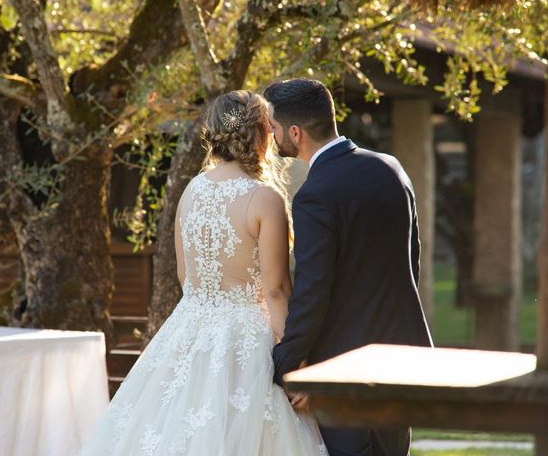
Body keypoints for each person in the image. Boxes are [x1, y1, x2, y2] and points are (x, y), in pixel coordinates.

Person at [78, 89, 327, 455]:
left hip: (189, 328)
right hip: (247, 339)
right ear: (261, 134)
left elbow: (185, 276)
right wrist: (296, 366)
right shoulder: (265, 199)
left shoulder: (192, 190)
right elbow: (275, 291)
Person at [265, 78, 433, 456]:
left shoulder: (315, 194)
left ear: (295, 132)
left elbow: (313, 289)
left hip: (342, 365)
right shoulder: (391, 168)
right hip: (400, 355)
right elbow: (412, 259)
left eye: (274, 128)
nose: (273, 137)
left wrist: (287, 364)